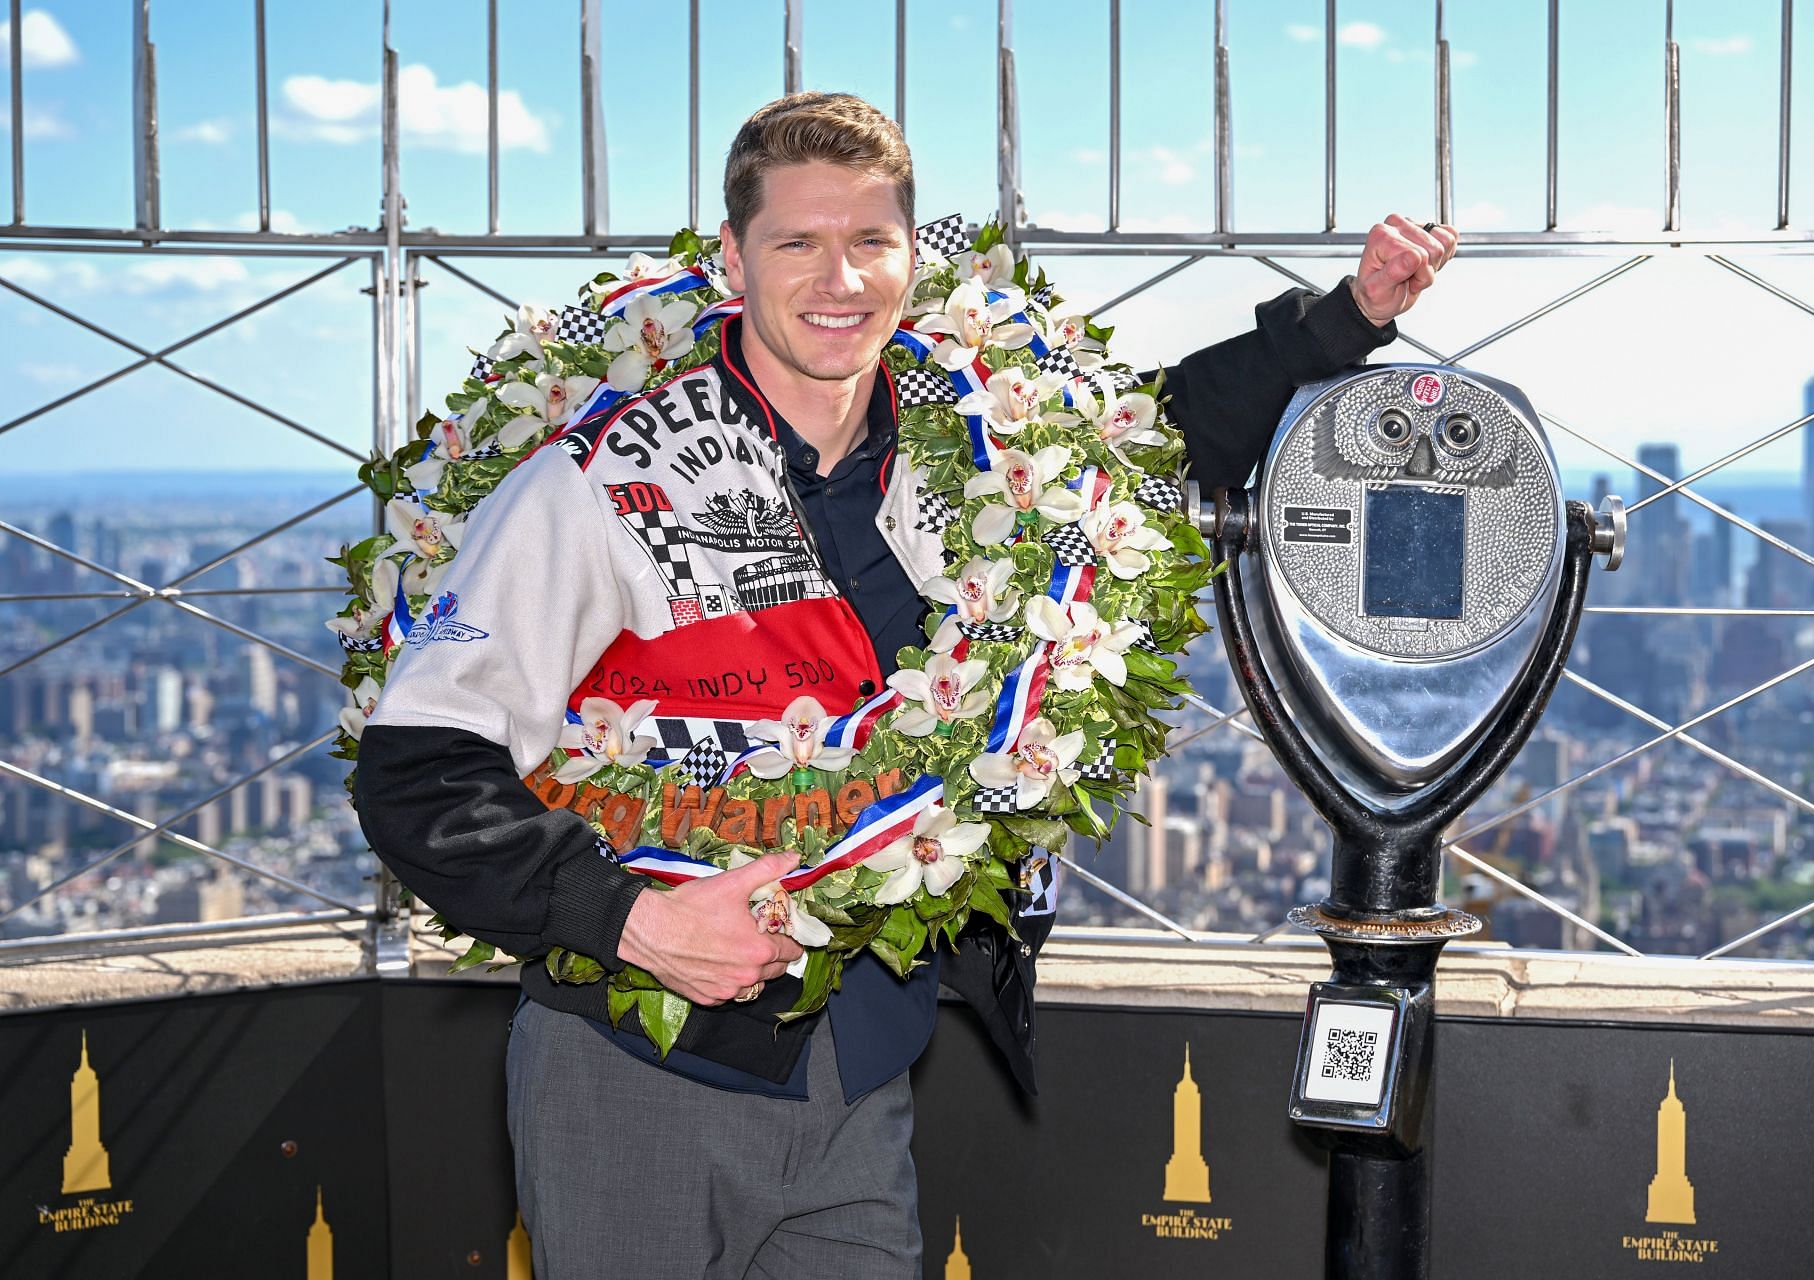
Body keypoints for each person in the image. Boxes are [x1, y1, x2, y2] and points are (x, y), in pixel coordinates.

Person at [354, 91, 1456, 1279]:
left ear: (911, 258)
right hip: (637, 1066)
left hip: (864, 1066)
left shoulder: (972, 448)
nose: (840, 278)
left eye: (870, 241)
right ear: (732, 258)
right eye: (797, 242)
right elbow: (420, 772)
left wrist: (1344, 321)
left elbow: (1149, 446)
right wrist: (637, 923)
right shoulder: (600, 481)